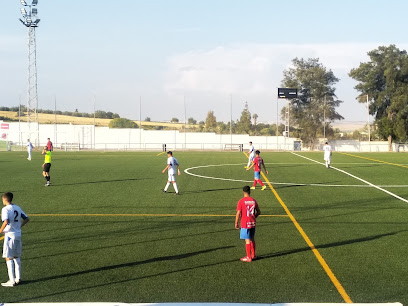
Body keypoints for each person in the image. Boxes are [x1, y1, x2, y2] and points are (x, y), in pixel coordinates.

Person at [1, 192, 29, 287]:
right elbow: (26, 218)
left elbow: (6, 221)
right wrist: (19, 226)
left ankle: (12, 280)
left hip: (10, 235)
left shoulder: (5, 209)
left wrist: (1, 230)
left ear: (5, 199)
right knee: (16, 257)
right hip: (18, 234)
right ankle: (18, 278)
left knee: (8, 257)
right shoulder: (17, 207)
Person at [235, 186, 261, 262]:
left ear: (243, 192)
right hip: (252, 222)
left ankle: (248, 257)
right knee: (252, 239)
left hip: (245, 223)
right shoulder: (253, 200)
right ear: (250, 191)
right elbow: (259, 212)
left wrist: (236, 223)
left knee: (247, 240)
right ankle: (253, 255)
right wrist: (254, 217)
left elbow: (238, 213)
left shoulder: (241, 201)